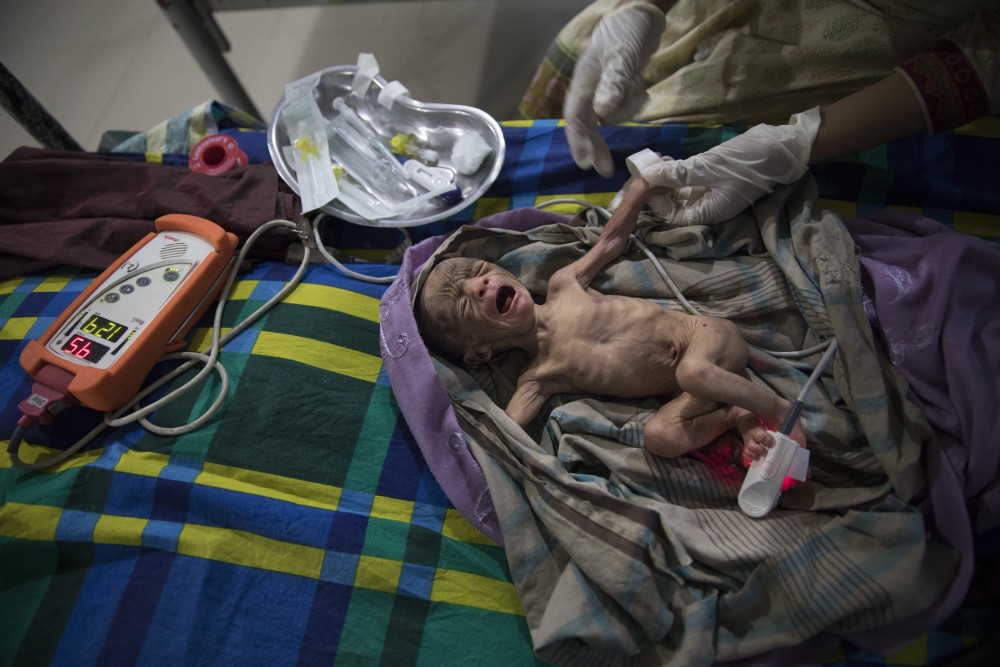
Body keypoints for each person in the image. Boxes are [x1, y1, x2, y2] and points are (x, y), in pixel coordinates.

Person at [415, 176, 807, 462]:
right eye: (465, 305)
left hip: (703, 336)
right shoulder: (538, 376)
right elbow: (505, 431)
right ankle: (735, 416)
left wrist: (638, 191)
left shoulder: (563, 285)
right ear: (480, 353)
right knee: (660, 437)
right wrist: (454, 443)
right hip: (691, 389)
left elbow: (609, 242)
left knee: (693, 372)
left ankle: (779, 409)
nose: (478, 287)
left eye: (478, 270)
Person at [526, 0, 998, 223]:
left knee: (673, 147)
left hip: (864, 45)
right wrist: (645, 7)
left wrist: (800, 140)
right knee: (579, 43)